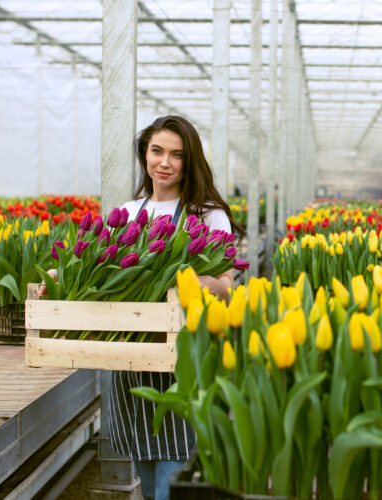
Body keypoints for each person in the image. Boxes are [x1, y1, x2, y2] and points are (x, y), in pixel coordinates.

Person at [112, 115, 244, 499]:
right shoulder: (128, 213)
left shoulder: (206, 214)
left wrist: (198, 282)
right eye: (156, 151)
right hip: (132, 358)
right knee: (147, 474)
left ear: (190, 161)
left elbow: (227, 289)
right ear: (144, 155)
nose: (164, 162)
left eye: (176, 154)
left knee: (173, 474)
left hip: (183, 359)